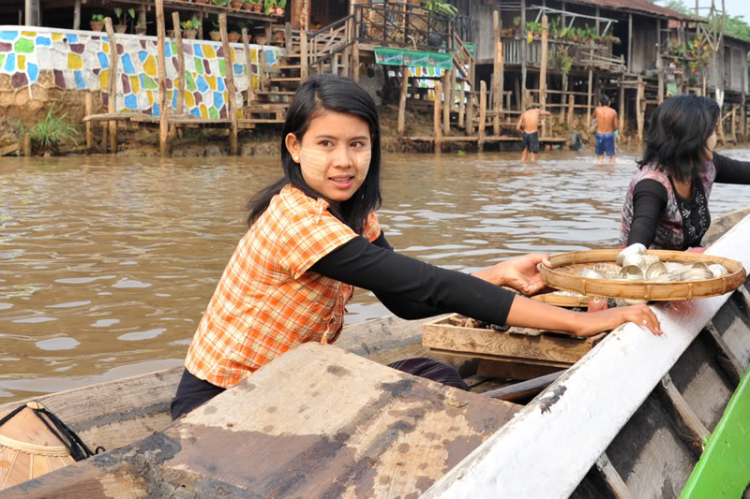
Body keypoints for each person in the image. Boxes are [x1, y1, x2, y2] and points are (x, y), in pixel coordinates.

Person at [171, 75, 662, 420]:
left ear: (372, 147)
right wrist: (583, 321)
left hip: (288, 386)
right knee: (429, 393)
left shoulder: (354, 217)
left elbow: (406, 301)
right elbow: (430, 285)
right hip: (222, 403)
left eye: (357, 145)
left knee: (431, 374)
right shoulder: (297, 221)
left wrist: (498, 272)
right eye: (326, 144)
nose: (343, 161)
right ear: (296, 148)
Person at [620, 94, 750, 250]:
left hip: (691, 257)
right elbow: (640, 234)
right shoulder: (652, 184)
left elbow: (745, 171)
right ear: (692, 136)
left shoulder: (706, 165)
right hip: (653, 267)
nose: (716, 138)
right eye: (712, 131)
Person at [592, 94, 618, 165]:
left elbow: (593, 118)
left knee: (600, 157)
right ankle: (610, 174)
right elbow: (616, 127)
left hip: (599, 135)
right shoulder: (613, 112)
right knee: (612, 157)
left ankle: (600, 174)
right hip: (609, 135)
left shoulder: (597, 110)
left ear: (600, 103)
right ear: (609, 102)